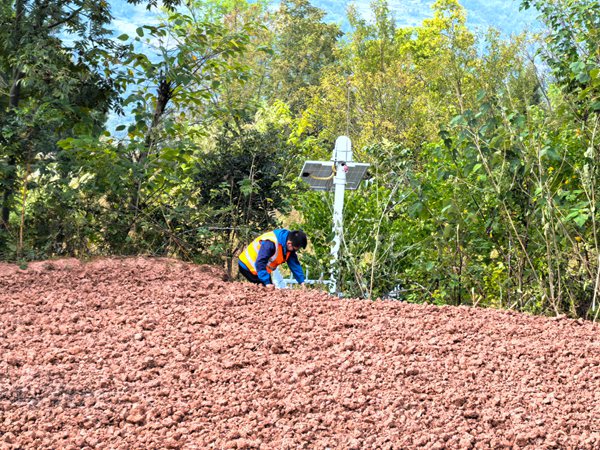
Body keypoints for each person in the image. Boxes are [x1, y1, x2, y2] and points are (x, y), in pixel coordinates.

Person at [238, 229, 307, 288]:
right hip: (247, 266)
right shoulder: (270, 243)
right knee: (265, 290)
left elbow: (294, 264)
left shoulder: (288, 246)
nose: (295, 251)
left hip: (259, 269)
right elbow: (260, 262)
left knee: (269, 288)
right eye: (295, 249)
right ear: (289, 243)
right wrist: (267, 282)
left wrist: (302, 282)